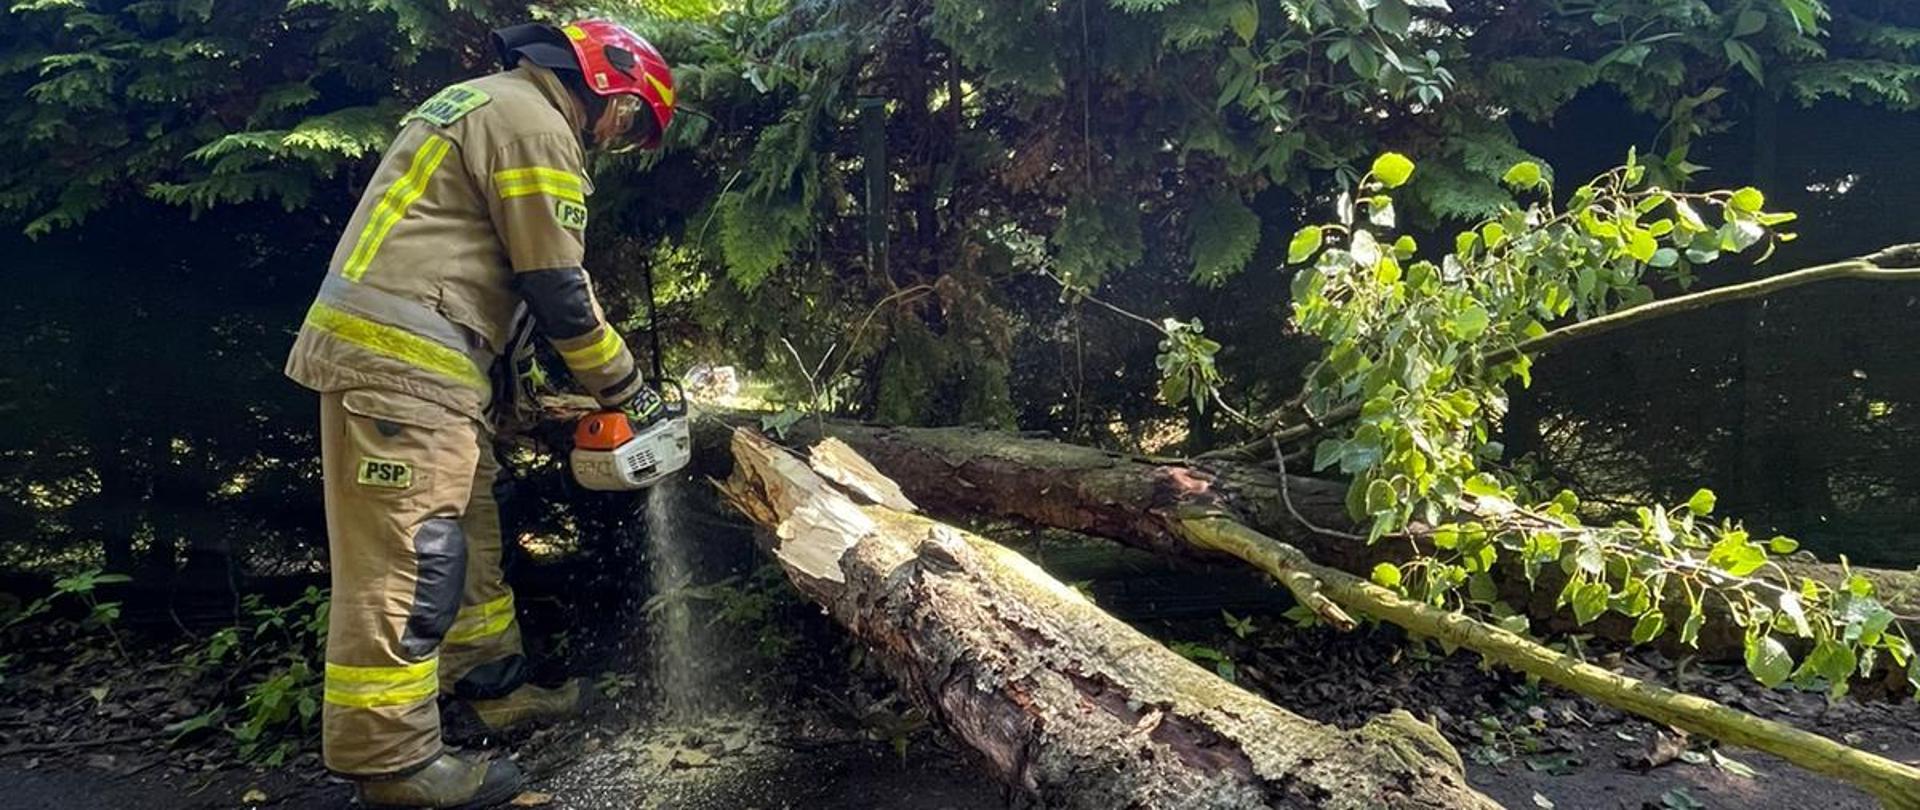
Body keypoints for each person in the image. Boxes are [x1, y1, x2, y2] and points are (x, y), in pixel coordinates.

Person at [282, 19, 675, 808]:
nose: (617, 137)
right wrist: (631, 393)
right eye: (630, 118)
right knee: (409, 561)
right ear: (603, 79)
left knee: (468, 528)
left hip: (430, 363)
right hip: (403, 366)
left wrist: (515, 397)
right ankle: (393, 765)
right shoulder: (535, 123)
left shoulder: (491, 104)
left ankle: (492, 685)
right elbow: (558, 290)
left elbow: (481, 269)